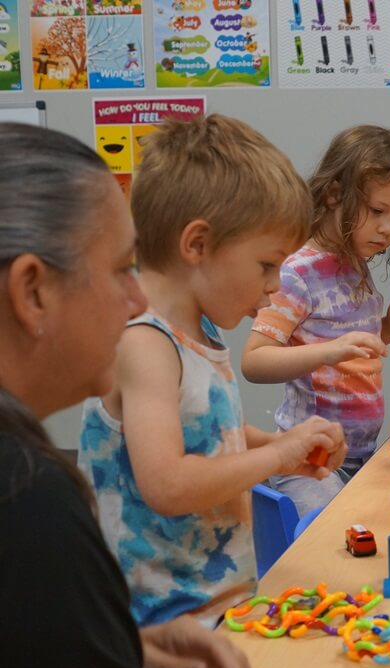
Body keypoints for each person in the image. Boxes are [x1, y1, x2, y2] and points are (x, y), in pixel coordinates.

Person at [0, 121, 390, 668]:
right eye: (123, 269)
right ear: (33, 290)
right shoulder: (28, 501)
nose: (136, 299)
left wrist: (120, 657)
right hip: (182, 599)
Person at [77, 114, 349, 627]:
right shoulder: (145, 343)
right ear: (197, 245)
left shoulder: (200, 332)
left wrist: (279, 448)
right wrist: (276, 458)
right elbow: (168, 484)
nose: (273, 287)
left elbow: (210, 432)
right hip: (157, 631)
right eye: (266, 265)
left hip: (214, 608)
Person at [242, 125, 390, 518]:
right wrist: (329, 351)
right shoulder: (298, 272)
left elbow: (352, 343)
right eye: (377, 211)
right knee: (333, 542)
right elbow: (255, 360)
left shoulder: (354, 268)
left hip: (356, 455)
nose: (387, 229)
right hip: (309, 461)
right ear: (333, 194)